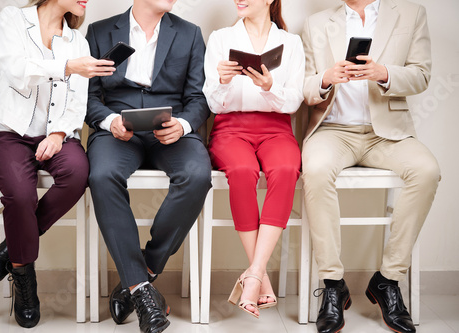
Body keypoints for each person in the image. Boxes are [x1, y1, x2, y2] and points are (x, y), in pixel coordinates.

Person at [301, 0, 440, 332]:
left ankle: (388, 279)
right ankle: (333, 284)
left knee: (427, 171)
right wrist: (325, 79)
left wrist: (384, 73)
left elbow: (422, 75)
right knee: (316, 171)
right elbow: (304, 88)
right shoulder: (315, 23)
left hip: (387, 134)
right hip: (333, 131)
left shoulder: (411, 13)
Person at [0, 0, 115, 328]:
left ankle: (9, 248)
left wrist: (56, 134)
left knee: (79, 172)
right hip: (8, 133)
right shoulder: (13, 19)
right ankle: (24, 275)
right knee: (20, 195)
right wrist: (67, 67)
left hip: (56, 135)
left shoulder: (77, 41)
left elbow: (77, 102)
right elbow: (17, 71)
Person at [84, 0, 212, 332]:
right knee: (101, 174)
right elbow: (88, 97)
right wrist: (110, 120)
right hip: (117, 131)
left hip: (170, 129)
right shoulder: (99, 32)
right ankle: (141, 292)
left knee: (197, 174)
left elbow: (198, 98)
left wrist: (183, 125)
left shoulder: (190, 34)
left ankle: (143, 271)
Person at [203, 0, 304, 318]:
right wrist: (222, 80)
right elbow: (213, 103)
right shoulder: (220, 38)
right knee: (243, 170)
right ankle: (259, 275)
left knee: (288, 167)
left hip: (276, 128)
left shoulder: (290, 42)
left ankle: (253, 274)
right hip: (231, 128)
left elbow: (294, 99)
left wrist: (270, 86)